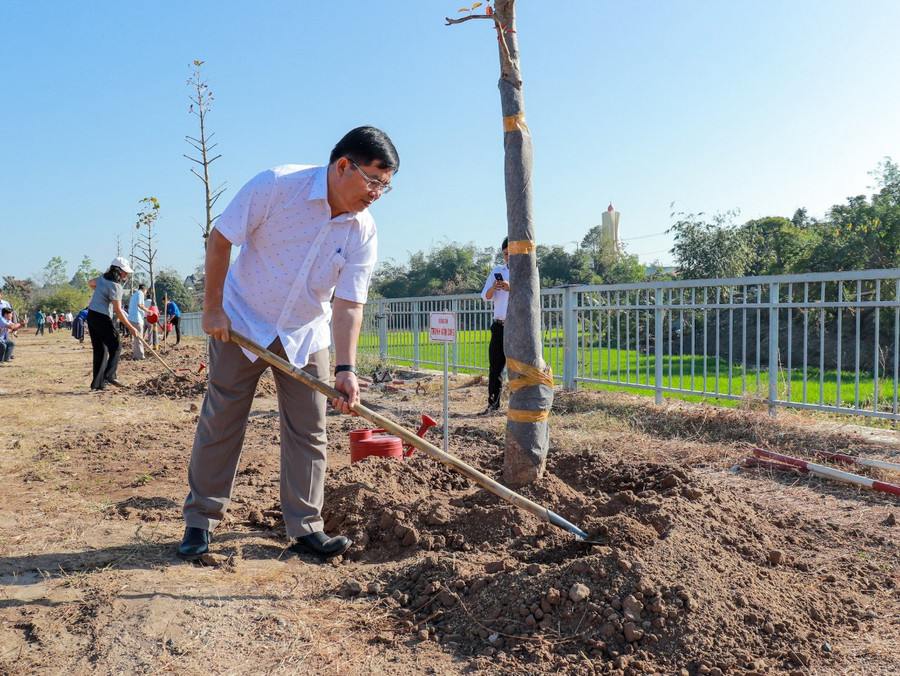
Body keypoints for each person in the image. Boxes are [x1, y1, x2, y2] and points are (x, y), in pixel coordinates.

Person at [178, 126, 399, 562]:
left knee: (309, 429)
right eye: (373, 181)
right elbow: (221, 240)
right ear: (342, 166)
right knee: (222, 418)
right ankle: (200, 521)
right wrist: (212, 308)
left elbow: (349, 305)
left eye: (385, 187)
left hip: (304, 333)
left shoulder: (362, 231)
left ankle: (306, 528)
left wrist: (346, 370)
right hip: (240, 321)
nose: (376, 193)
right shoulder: (278, 185)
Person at [86, 257, 140, 390]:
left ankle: (98, 384)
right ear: (118, 271)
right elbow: (118, 311)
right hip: (102, 317)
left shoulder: (102, 279)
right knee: (116, 345)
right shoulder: (116, 286)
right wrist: (131, 328)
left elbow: (90, 283)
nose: (126, 275)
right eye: (124, 272)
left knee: (101, 350)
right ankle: (109, 375)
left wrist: (101, 290)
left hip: (91, 314)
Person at [479, 236, 510, 415]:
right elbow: (485, 296)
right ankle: (493, 406)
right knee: (495, 368)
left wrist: (510, 287)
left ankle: (517, 407)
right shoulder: (497, 271)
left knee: (517, 369)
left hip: (517, 327)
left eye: (510, 254)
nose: (508, 258)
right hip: (499, 325)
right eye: (505, 254)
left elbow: (529, 292)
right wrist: (494, 288)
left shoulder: (525, 270)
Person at [127, 284, 150, 359]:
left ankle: (136, 355)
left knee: (137, 338)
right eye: (146, 291)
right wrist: (148, 311)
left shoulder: (134, 295)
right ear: (144, 289)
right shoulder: (140, 294)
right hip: (137, 318)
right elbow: (140, 305)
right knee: (139, 338)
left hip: (132, 318)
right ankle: (140, 356)